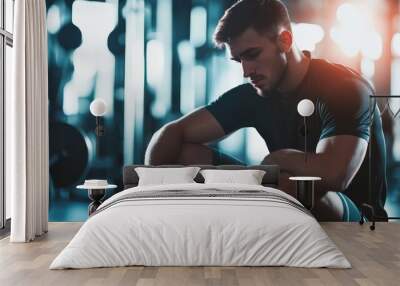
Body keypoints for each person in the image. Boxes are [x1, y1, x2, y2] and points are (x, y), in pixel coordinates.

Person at [144, 0, 388, 221]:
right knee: (184, 155)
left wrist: (274, 161)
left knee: (291, 184)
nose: (246, 71)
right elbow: (173, 133)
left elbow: (335, 174)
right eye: (239, 60)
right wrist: (147, 190)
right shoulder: (254, 93)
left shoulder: (344, 88)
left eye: (252, 55)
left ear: (285, 41)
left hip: (358, 218)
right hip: (282, 195)